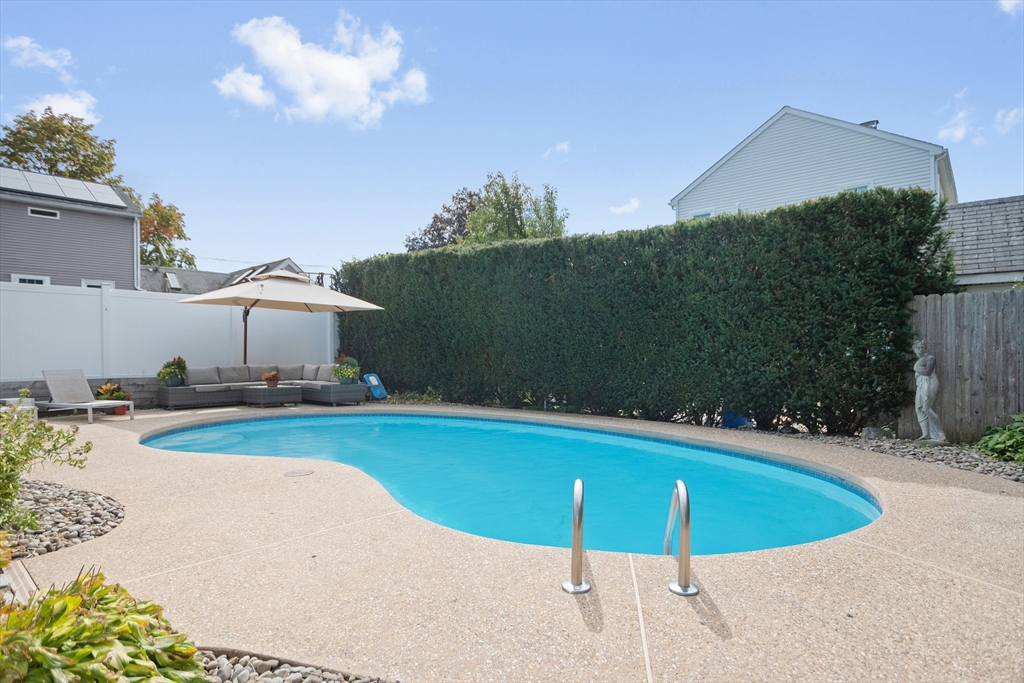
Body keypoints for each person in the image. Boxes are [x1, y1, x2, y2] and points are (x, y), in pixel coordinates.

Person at [913, 339, 946, 442]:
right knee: (919, 409)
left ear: (925, 348)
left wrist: (916, 369)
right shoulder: (918, 361)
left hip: (930, 383)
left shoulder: (930, 358)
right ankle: (926, 433)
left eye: (922, 347)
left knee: (926, 408)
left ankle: (940, 434)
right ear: (914, 349)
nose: (920, 349)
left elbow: (927, 372)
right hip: (921, 385)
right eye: (918, 348)